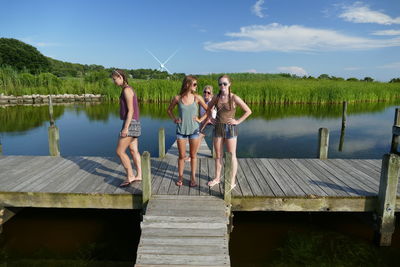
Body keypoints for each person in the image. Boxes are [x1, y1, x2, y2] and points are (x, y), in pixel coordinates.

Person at [207, 74, 252, 191]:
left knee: (232, 156)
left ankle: (232, 181)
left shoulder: (234, 98)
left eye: (224, 83)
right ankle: (217, 178)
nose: (222, 86)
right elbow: (208, 108)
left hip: (230, 128)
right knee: (218, 156)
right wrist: (210, 118)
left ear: (229, 84)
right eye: (220, 84)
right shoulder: (216, 97)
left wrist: (237, 121)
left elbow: (248, 111)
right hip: (218, 128)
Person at [167, 75, 208, 187]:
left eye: (196, 84)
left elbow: (209, 111)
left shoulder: (197, 98)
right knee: (181, 156)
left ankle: (193, 178)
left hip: (194, 131)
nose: (196, 86)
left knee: (193, 156)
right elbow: (169, 110)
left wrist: (200, 119)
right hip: (181, 131)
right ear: (187, 85)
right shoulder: (177, 98)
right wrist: (174, 119)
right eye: (194, 84)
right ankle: (180, 177)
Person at [112, 69, 142, 187]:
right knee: (133, 151)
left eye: (114, 79)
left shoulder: (127, 90)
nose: (114, 81)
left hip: (131, 124)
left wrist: (125, 128)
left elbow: (131, 111)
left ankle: (130, 176)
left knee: (119, 151)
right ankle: (139, 175)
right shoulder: (127, 89)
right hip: (133, 123)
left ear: (120, 77)